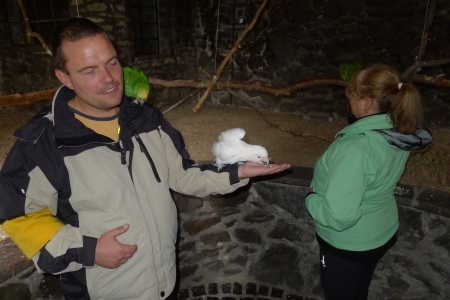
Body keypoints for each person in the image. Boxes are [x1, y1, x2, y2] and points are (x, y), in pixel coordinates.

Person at [0, 18, 290, 300]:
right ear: (65, 78)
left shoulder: (146, 118)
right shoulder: (42, 143)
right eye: (89, 70)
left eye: (112, 62)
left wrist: (237, 172)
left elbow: (182, 174)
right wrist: (88, 250)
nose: (109, 78)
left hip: (163, 285)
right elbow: (21, 218)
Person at [305, 64, 432, 299]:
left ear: (366, 102)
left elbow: (339, 216)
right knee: (357, 290)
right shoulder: (398, 131)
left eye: (352, 93)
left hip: (348, 244)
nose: (349, 99)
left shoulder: (356, 148)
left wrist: (311, 198)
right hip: (378, 232)